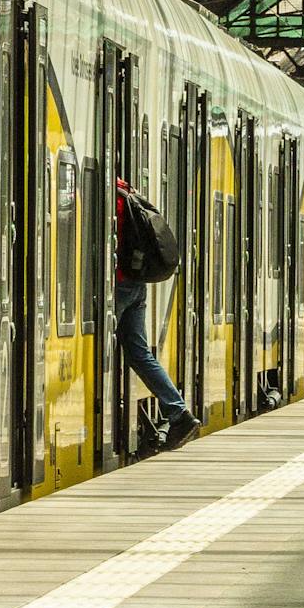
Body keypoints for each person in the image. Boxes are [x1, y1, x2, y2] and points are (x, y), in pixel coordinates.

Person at [116, 178, 199, 451]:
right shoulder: (126, 189)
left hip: (117, 285)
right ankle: (179, 413)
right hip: (136, 285)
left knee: (96, 346)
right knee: (139, 353)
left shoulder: (110, 195)